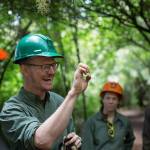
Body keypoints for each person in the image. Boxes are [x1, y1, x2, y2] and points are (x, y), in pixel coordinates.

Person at [0, 33, 91, 150]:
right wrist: (74, 93)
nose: (52, 72)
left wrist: (74, 142)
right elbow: (42, 140)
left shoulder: (60, 101)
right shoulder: (11, 111)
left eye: (54, 65)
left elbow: (69, 138)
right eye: (45, 66)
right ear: (24, 69)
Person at [81, 81, 135, 150]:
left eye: (114, 98)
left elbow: (130, 139)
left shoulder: (125, 121)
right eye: (108, 98)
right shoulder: (91, 122)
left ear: (118, 101)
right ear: (102, 99)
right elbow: (87, 146)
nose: (111, 101)